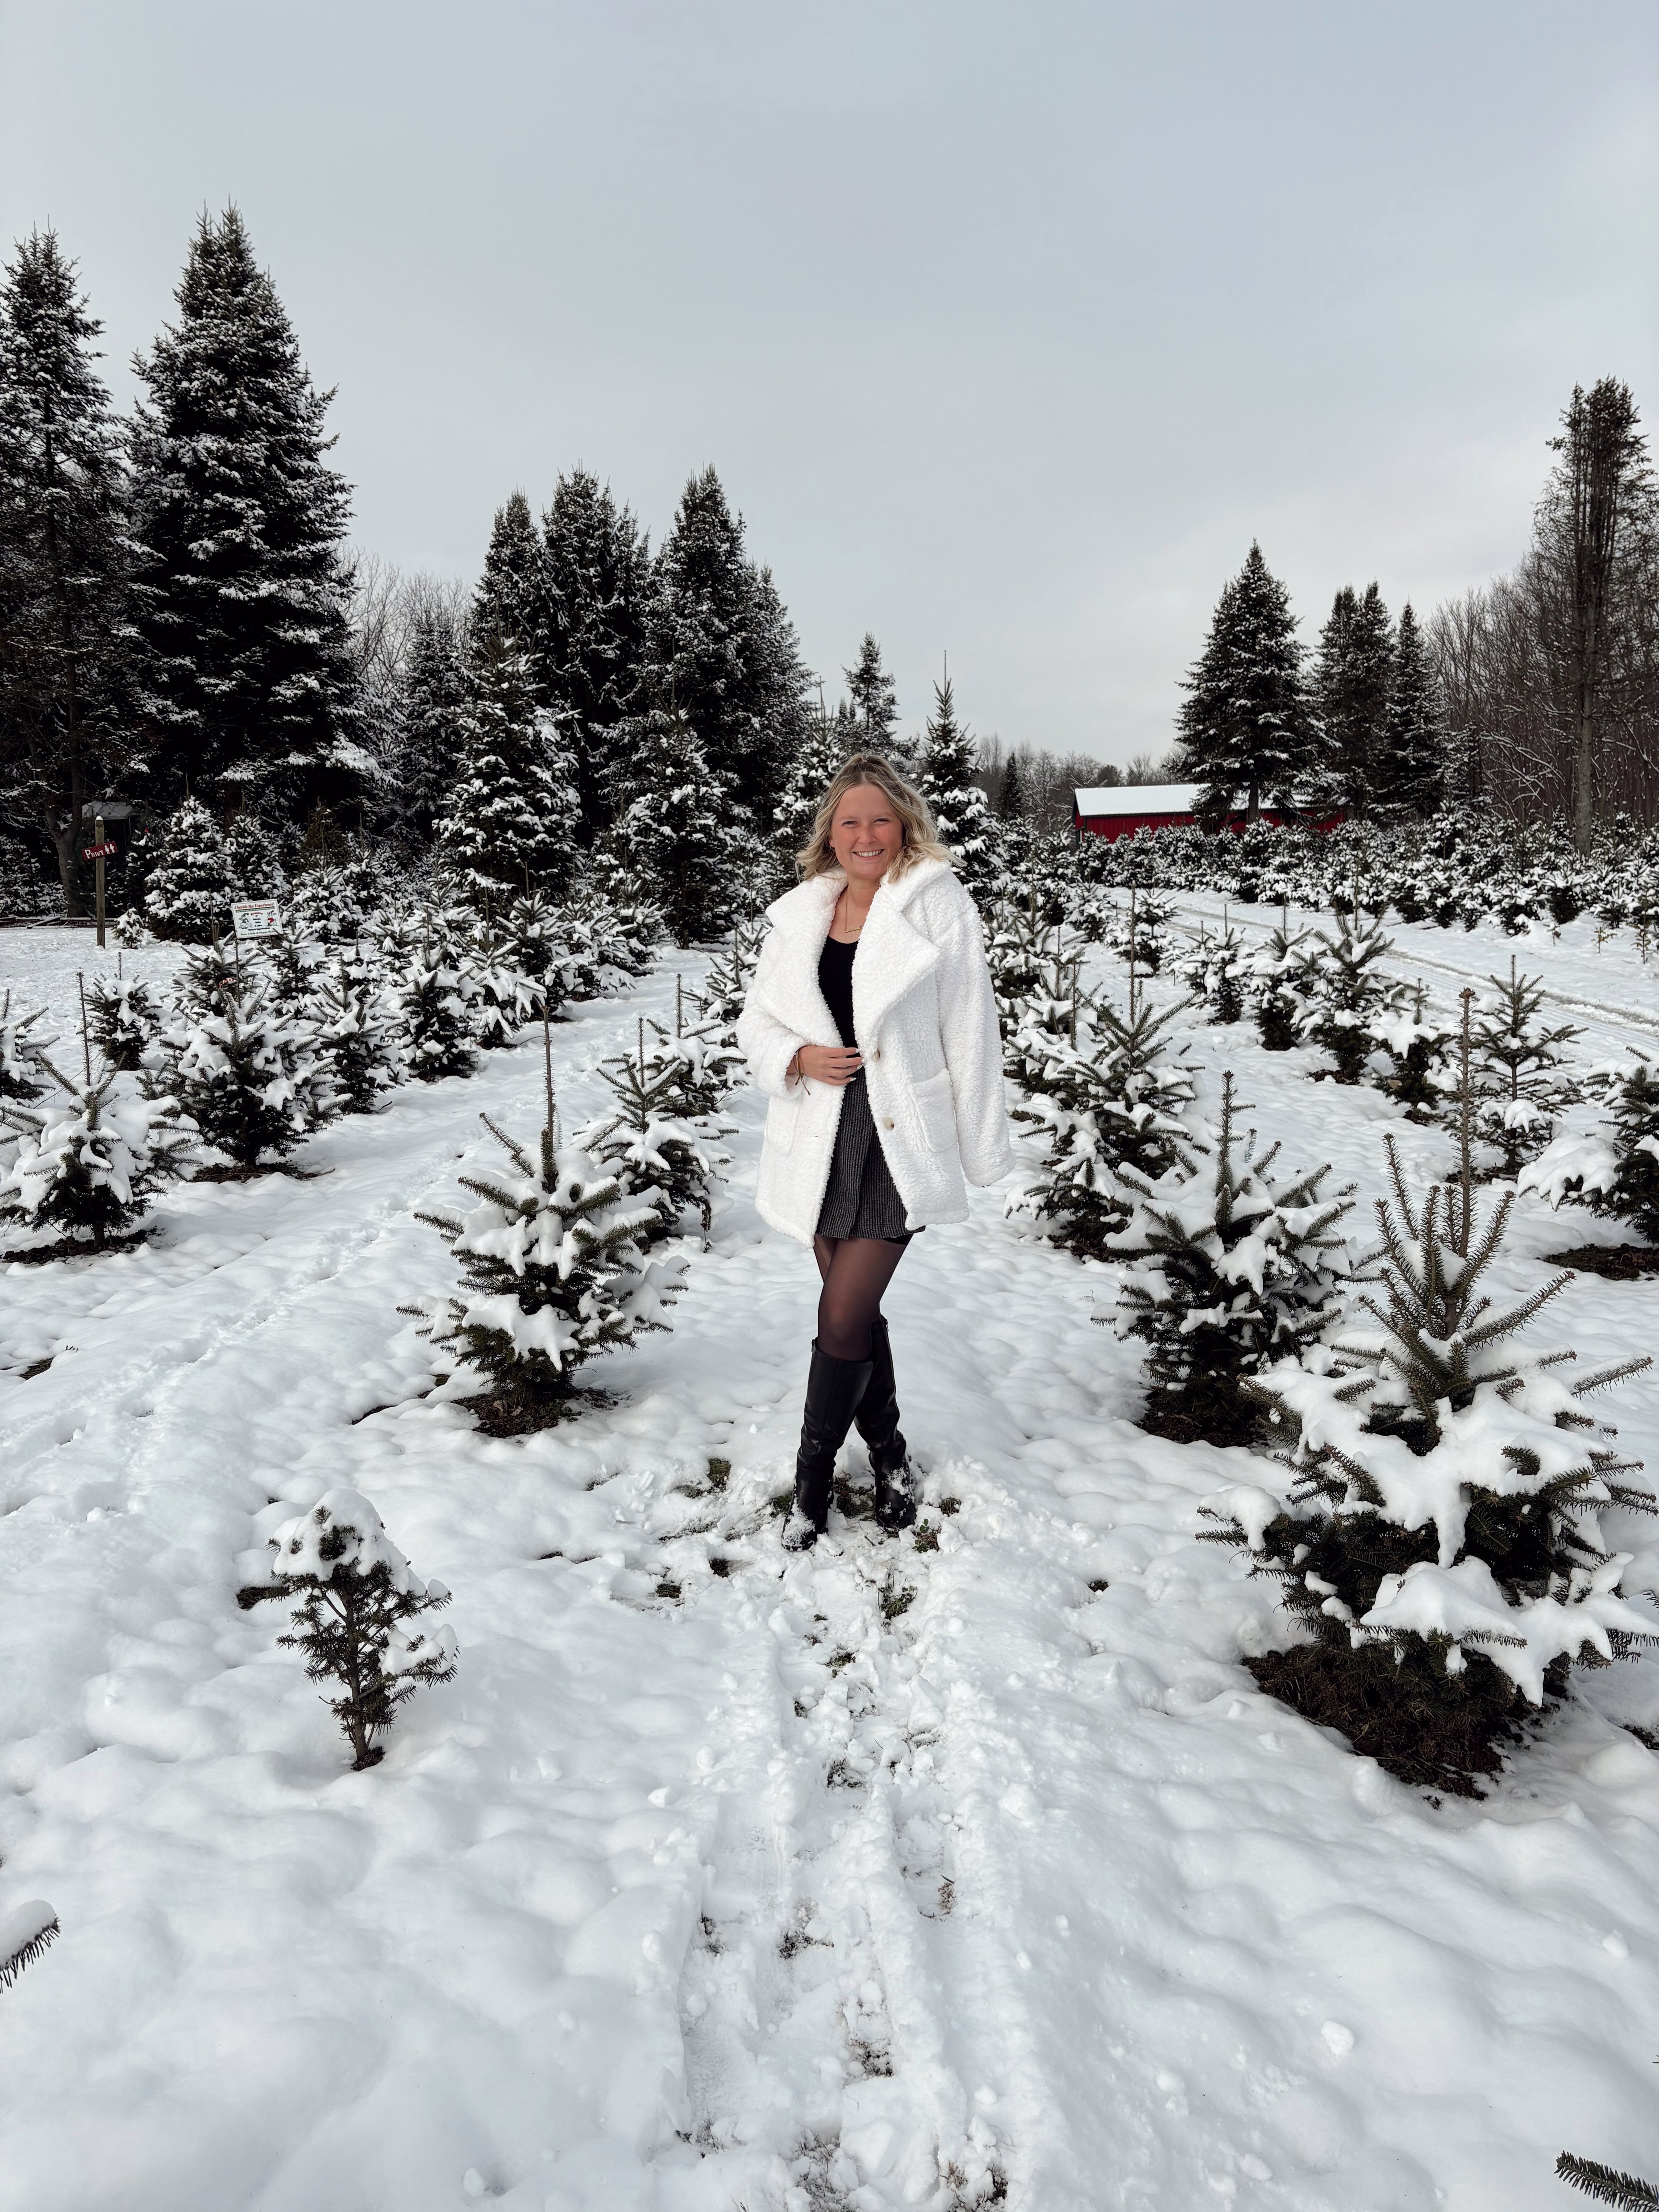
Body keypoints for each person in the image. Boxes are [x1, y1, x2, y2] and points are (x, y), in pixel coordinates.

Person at [737, 753, 1013, 1550]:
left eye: (880, 820)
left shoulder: (937, 907)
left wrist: (983, 1150)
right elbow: (756, 1022)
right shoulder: (799, 919)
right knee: (851, 1318)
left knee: (843, 1311)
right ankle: (889, 1455)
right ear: (831, 832)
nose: (866, 835)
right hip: (820, 1133)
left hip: (897, 1134)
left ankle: (812, 1481)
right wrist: (794, 1059)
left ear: (904, 828)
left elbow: (972, 1031)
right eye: (850, 820)